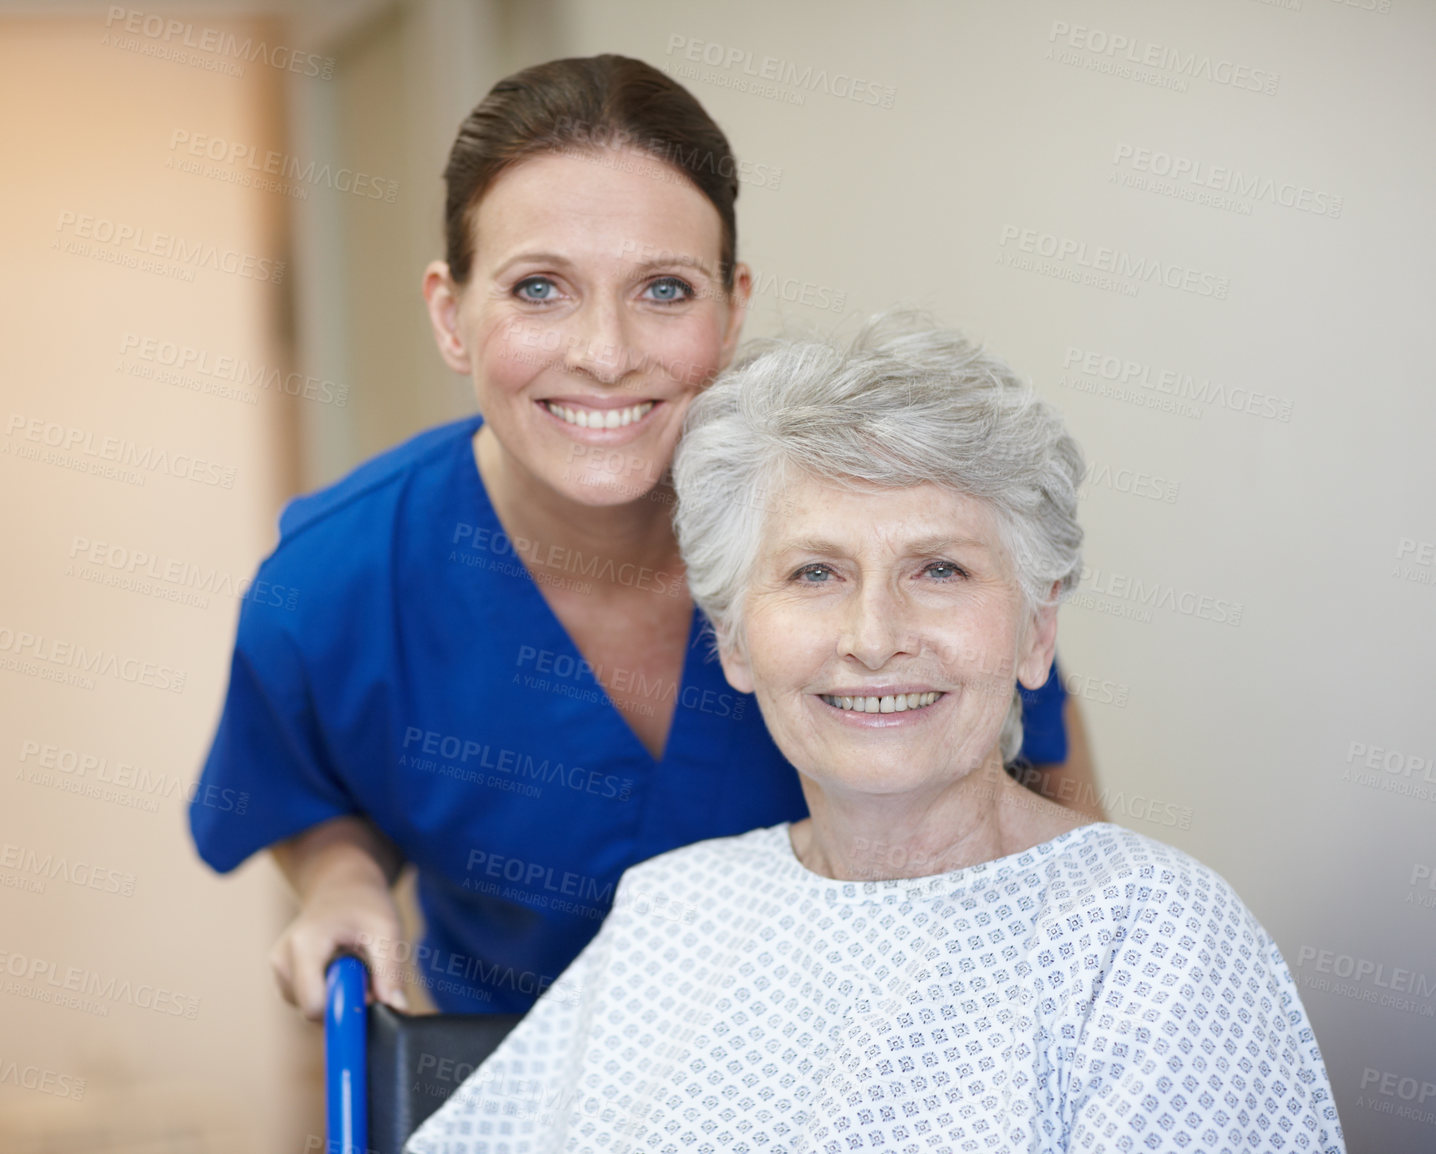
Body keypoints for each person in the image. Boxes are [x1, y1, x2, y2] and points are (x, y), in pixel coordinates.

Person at [189, 55, 1099, 1020]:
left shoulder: (857, 520)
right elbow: (300, 787)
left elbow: (1047, 786)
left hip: (867, 1060)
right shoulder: (337, 581)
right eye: (540, 288)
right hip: (515, 1082)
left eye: (664, 290)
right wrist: (342, 882)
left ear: (733, 306)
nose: (608, 354)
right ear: (451, 316)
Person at [404, 318, 1344, 1153]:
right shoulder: (671, 911)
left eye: (939, 569)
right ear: (732, 637)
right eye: (815, 574)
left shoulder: (1149, 942)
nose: (874, 637)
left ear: (1036, 632)